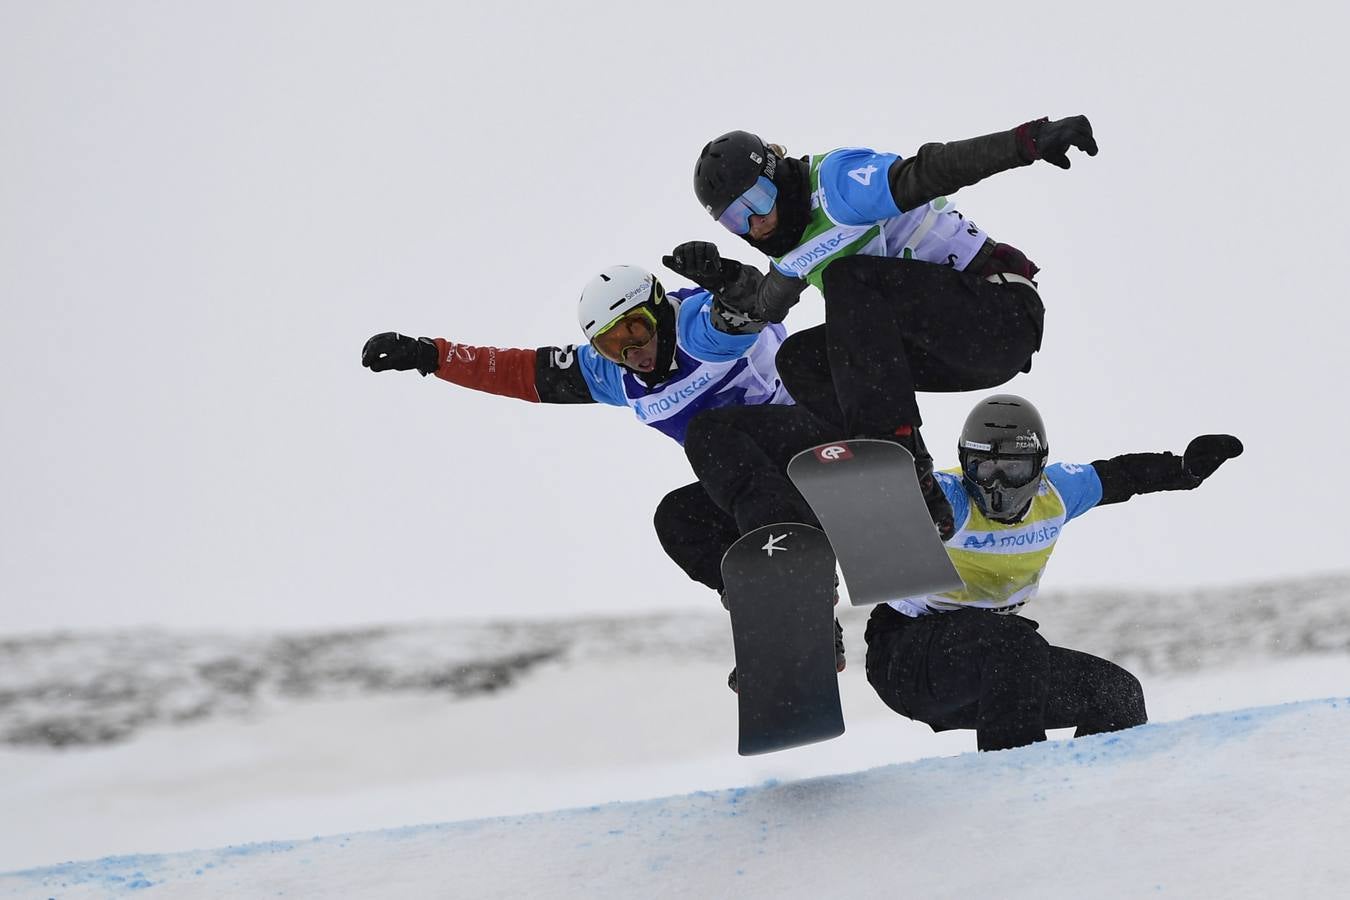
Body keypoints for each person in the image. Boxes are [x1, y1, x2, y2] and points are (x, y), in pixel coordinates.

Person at [360, 264, 846, 676]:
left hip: (817, 442)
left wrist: (726, 278)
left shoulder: (700, 322)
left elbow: (752, 302)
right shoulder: (611, 375)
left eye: (635, 329)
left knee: (709, 435)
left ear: (658, 309)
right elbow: (518, 371)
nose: (631, 351)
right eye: (612, 343)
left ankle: (793, 578)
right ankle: (789, 619)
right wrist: (432, 356)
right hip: (774, 497)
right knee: (679, 519)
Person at [666, 116, 1099, 538]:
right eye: (735, 220)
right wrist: (722, 277)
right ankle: (914, 483)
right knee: (800, 360)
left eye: (756, 201)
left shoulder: (836, 184)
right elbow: (764, 306)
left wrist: (1028, 141)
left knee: (846, 279)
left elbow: (932, 169)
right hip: (949, 348)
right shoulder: (791, 250)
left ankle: (891, 450)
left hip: (1000, 316)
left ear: (776, 174)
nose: (755, 224)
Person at [860, 394, 1243, 751]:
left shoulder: (1057, 493)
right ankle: (1019, 784)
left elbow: (1120, 475)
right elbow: (899, 500)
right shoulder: (949, 498)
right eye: (983, 466)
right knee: (1013, 644)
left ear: (1039, 467)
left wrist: (1182, 471)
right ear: (964, 463)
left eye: (1012, 468)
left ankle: (1083, 803)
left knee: (1115, 693)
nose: (996, 483)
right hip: (905, 659)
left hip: (990, 673)